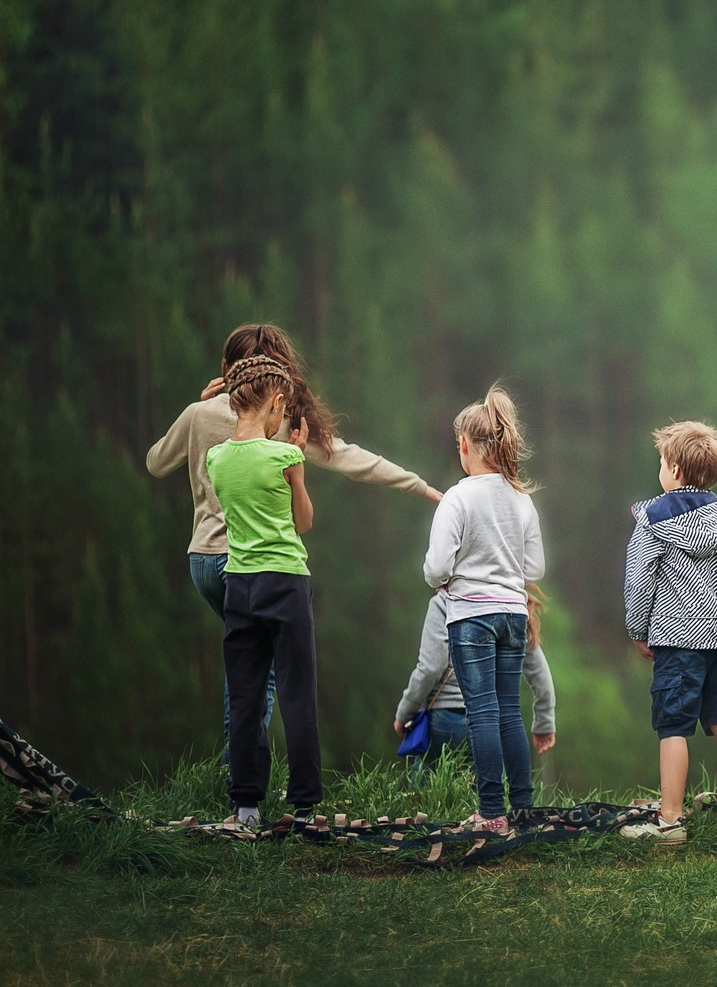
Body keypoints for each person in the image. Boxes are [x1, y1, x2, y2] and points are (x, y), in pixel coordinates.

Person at [147, 323, 440, 759]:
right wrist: (427, 489)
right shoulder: (282, 426)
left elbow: (155, 463)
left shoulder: (198, 415)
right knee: (260, 672)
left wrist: (199, 409)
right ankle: (239, 770)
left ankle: (234, 775)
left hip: (202, 563)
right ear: (277, 381)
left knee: (245, 661)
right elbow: (357, 462)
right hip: (252, 564)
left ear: (226, 370)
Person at [618, 421, 717, 847]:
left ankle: (671, 819)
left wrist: (638, 628)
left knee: (673, 726)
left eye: (662, 461)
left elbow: (639, 580)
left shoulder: (651, 521)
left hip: (675, 642)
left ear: (675, 470)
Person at [423, 386, 544, 837]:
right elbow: (535, 567)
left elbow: (436, 568)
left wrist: (449, 578)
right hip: (513, 614)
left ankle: (491, 812)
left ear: (464, 446)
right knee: (510, 710)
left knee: (483, 713)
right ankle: (524, 808)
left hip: (471, 617)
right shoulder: (521, 499)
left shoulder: (458, 498)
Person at [206, 355, 319, 829]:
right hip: (285, 582)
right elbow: (304, 522)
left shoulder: (216, 457)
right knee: (296, 690)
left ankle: (247, 806)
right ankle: (306, 803)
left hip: (240, 584)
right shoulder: (286, 456)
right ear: (277, 403)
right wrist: (298, 466)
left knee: (246, 695)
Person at [394, 584, 557, 779]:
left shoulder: (444, 602)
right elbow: (540, 674)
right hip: (491, 723)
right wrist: (544, 722)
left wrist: (405, 712)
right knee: (490, 800)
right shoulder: (511, 606)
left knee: (427, 798)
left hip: (445, 719)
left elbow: (430, 668)